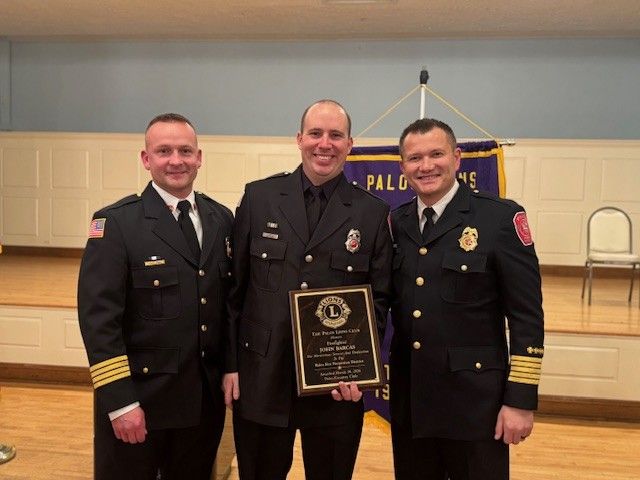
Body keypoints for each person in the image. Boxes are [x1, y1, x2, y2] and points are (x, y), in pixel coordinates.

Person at [223, 99, 393, 480]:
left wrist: (360, 369)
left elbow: (378, 301)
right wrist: (230, 364)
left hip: (335, 385)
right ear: (299, 139)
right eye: (315, 133)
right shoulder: (259, 198)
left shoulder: (372, 212)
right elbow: (235, 291)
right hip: (261, 376)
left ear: (350, 144)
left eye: (336, 135)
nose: (324, 144)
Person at [78, 113, 233, 480]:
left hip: (203, 406)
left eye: (185, 151)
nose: (176, 160)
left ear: (199, 157)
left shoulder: (221, 219)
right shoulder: (116, 223)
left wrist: (231, 368)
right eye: (164, 151)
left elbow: (227, 307)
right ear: (146, 159)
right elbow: (99, 321)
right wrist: (120, 402)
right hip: (142, 403)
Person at [389, 118, 544, 480]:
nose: (426, 166)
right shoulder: (397, 223)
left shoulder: (499, 219)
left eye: (436, 154)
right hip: (413, 402)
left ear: (457, 158)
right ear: (403, 167)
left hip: (476, 405)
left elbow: (526, 317)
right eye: (415, 158)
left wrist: (520, 399)